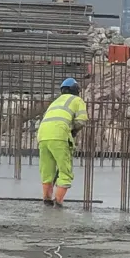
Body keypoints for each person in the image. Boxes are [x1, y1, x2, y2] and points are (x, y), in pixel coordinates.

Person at [37, 78, 89, 207]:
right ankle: (58, 202)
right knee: (65, 171)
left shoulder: (55, 102)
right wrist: (73, 130)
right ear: (76, 90)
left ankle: (47, 200)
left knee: (47, 170)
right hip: (59, 136)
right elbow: (82, 120)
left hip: (42, 136)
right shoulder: (77, 100)